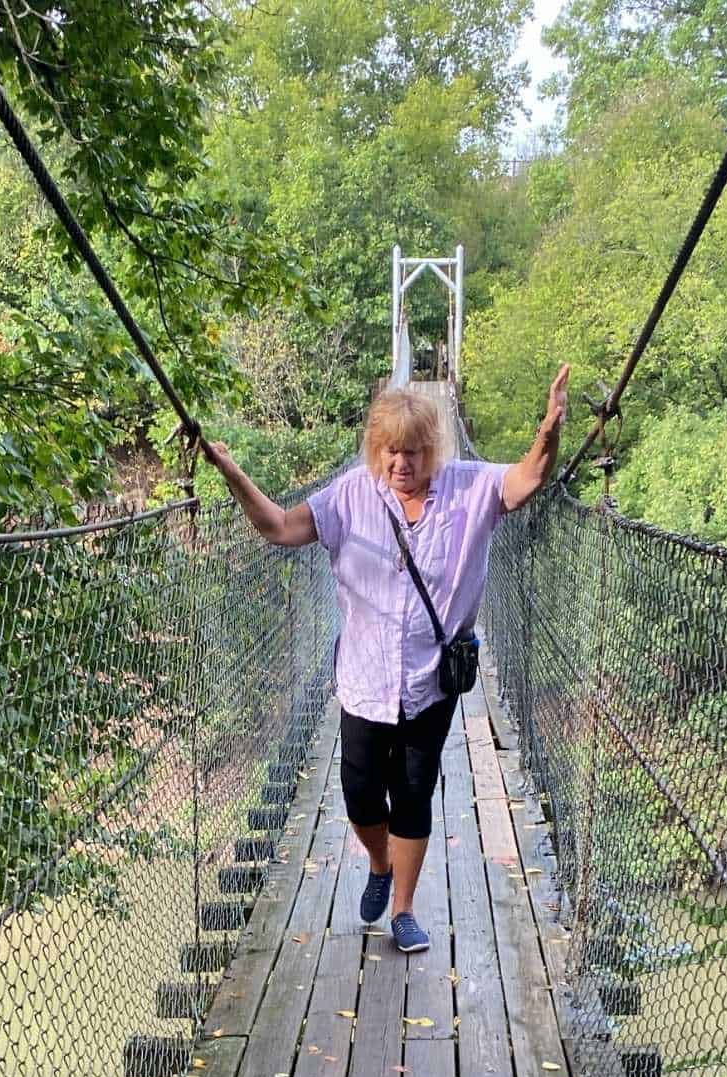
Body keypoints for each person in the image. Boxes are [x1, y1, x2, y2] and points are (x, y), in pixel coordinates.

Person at [201, 365, 570, 954]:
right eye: (392, 451)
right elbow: (276, 526)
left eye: (415, 452)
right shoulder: (350, 496)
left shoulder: (470, 488)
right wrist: (227, 470)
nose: (403, 464)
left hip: (431, 680)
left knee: (414, 791)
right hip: (365, 679)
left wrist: (549, 431)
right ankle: (378, 862)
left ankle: (402, 906)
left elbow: (527, 480)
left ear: (434, 452)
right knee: (360, 791)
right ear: (377, 451)